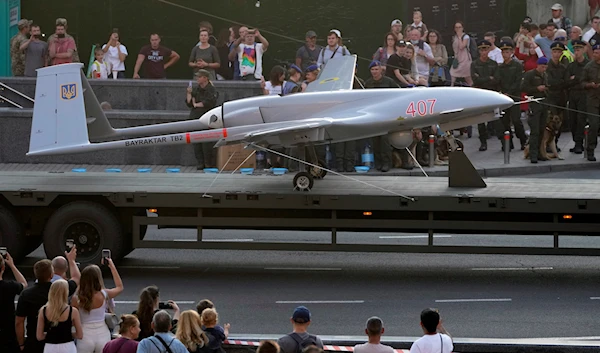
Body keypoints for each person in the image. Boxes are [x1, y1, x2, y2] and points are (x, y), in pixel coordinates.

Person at [16, 258, 78, 353]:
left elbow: (19, 322)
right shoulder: (59, 290)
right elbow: (76, 278)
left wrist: (21, 344)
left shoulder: (26, 294)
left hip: (34, 342)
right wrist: (71, 260)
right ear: (51, 275)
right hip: (57, 341)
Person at [72, 260, 124, 353]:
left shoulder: (76, 298)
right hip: (103, 334)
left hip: (85, 336)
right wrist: (112, 266)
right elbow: (120, 287)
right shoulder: (104, 294)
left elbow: (73, 318)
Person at [36, 279, 83, 353]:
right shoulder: (73, 311)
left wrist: (51, 334)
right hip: (68, 347)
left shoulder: (43, 310)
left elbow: (39, 336)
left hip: (50, 348)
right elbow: (80, 335)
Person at [496, 41, 528, 150]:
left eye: (507, 51)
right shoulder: (500, 67)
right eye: (503, 52)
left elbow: (518, 81)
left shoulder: (517, 65)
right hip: (503, 97)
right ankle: (508, 143)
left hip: (514, 96)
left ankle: (523, 140)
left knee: (516, 120)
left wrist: (509, 92)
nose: (505, 54)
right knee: (504, 121)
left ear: (511, 52)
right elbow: (498, 81)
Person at [186, 69, 219, 170]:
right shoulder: (196, 89)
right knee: (196, 142)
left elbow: (209, 102)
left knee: (207, 143)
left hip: (207, 118)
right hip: (196, 117)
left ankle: (208, 163)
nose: (197, 79)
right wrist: (189, 94)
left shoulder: (211, 90)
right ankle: (200, 162)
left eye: (199, 77)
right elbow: (190, 104)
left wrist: (197, 104)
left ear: (205, 78)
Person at [471, 40, 500, 151]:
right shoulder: (474, 64)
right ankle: (483, 142)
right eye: (482, 49)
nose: (484, 52)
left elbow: (496, 80)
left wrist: (483, 79)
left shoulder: (493, 64)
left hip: (491, 93)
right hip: (479, 94)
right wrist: (488, 78)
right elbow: (475, 79)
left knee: (494, 117)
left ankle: (498, 136)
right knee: (480, 120)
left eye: (486, 49)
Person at [522, 57, 550, 163]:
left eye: (545, 67)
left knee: (542, 130)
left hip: (543, 103)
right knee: (535, 131)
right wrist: (536, 88)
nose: (544, 69)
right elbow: (523, 88)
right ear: (537, 65)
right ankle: (533, 154)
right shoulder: (530, 75)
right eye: (542, 66)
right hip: (534, 104)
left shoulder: (545, 75)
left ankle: (539, 153)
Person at [0, 252, 27, 353]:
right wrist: (12, 265)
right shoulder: (9, 287)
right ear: (3, 268)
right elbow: (24, 284)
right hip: (7, 333)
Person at [566, 40, 590, 154]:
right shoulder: (571, 66)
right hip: (573, 94)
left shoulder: (588, 65)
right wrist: (576, 79)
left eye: (579, 50)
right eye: (575, 50)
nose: (577, 52)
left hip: (583, 94)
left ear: (583, 51)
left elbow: (587, 80)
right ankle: (576, 141)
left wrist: (575, 79)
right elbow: (567, 81)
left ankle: (580, 143)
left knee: (581, 119)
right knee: (572, 119)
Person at [582, 44, 600, 161]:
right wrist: (590, 85)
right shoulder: (588, 67)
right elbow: (582, 83)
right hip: (592, 100)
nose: (595, 55)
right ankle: (590, 150)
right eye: (594, 52)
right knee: (593, 125)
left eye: (597, 53)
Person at [450, 21, 473, 86]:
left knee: (467, 77)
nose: (458, 29)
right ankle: (451, 87)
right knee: (452, 74)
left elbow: (461, 47)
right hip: (457, 59)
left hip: (465, 59)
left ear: (462, 28)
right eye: (456, 27)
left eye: (459, 27)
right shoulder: (454, 37)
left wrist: (460, 37)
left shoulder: (465, 37)